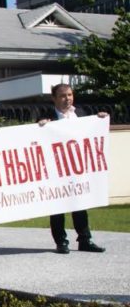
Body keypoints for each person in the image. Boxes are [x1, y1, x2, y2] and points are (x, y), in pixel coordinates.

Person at [38, 83, 107, 254]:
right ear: (54, 98)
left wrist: (99, 119)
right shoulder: (47, 117)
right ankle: (61, 241)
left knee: (80, 204)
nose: (67, 99)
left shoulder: (81, 114)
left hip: (77, 169)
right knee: (57, 207)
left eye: (69, 95)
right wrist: (41, 125)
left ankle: (85, 239)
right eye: (62, 96)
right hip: (56, 170)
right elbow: (37, 138)